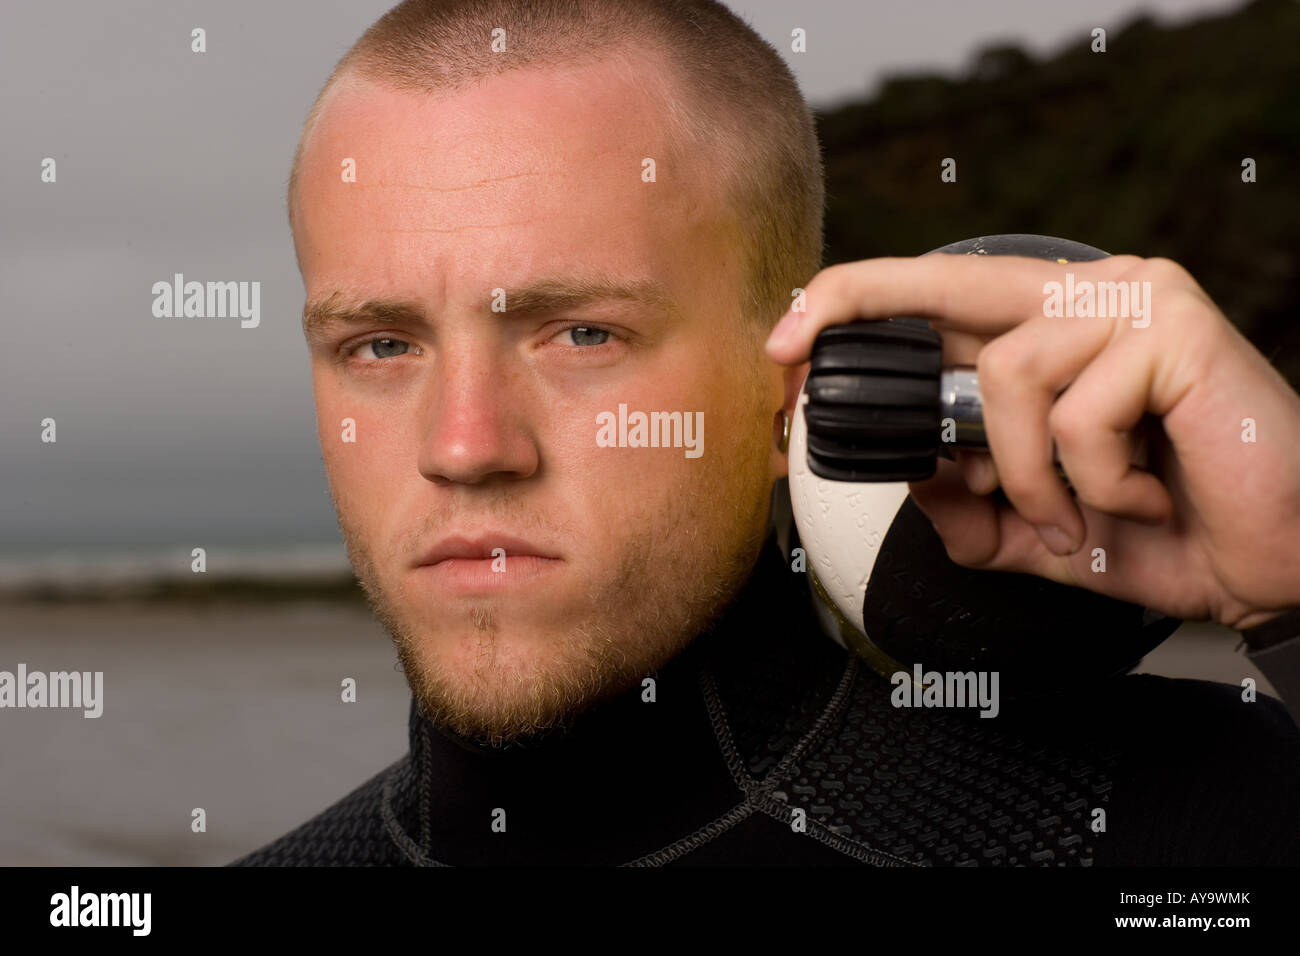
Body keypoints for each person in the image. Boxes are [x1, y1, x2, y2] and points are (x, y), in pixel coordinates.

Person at [231, 0, 1300, 867]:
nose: (464, 446)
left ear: (795, 371)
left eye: (583, 332)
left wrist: (1292, 578)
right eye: (379, 345)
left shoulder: (1194, 827)